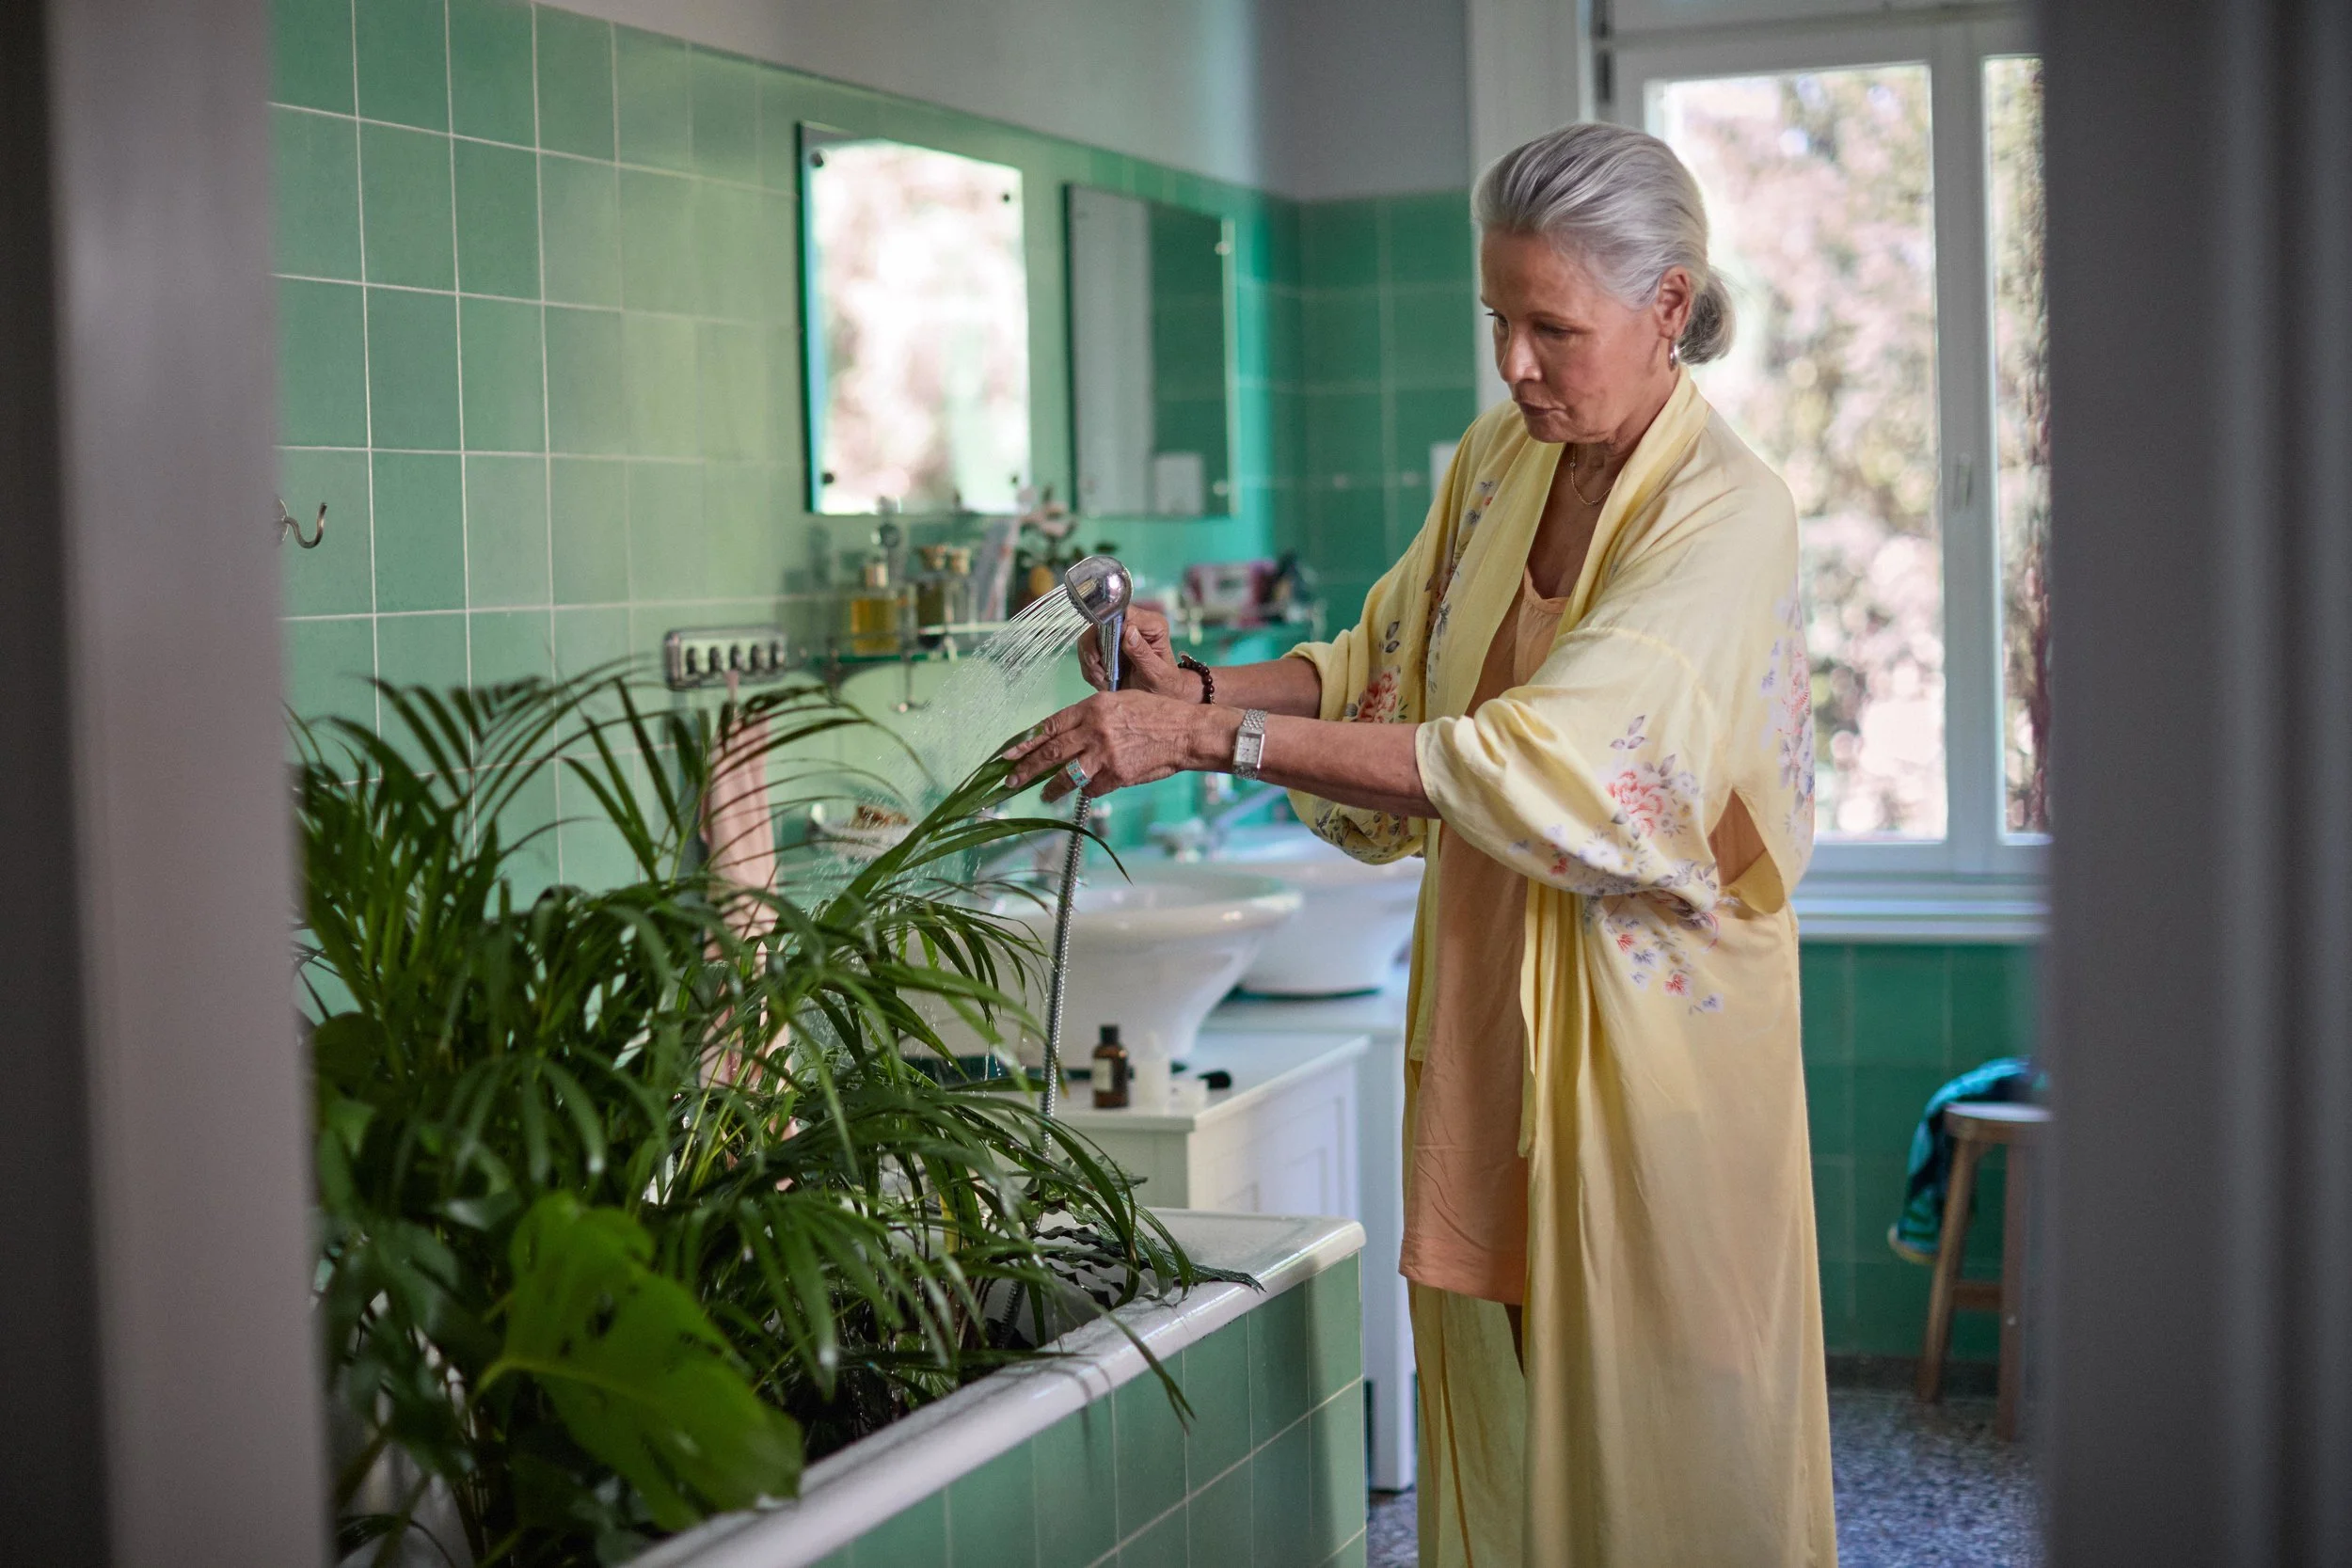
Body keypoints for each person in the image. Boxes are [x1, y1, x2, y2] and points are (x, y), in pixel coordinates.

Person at [1005, 121, 1836, 1567]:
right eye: (1497, 319)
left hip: (1648, 1048)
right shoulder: (1505, 461)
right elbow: (1378, 668)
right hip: (1486, 1004)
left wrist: (1208, 743)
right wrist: (1188, 688)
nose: (1513, 363)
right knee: (1506, 1400)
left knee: (1657, 1441)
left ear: (1668, 305)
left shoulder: (1729, 514)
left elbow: (1551, 758)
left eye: (1550, 328)